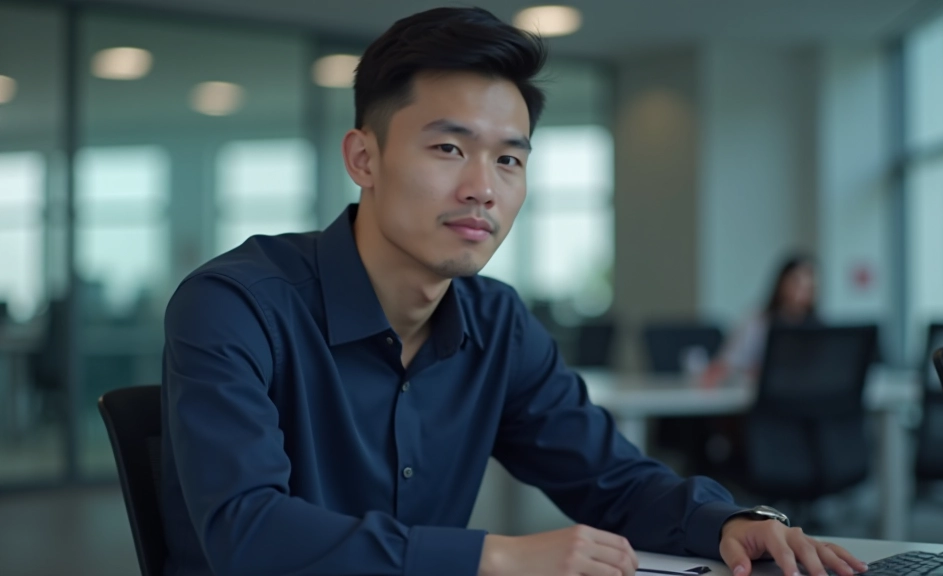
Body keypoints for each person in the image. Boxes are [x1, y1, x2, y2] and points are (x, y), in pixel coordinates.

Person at [160, 9, 867, 576]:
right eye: (448, 148)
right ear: (363, 157)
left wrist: (736, 524)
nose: (482, 187)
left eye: (508, 159)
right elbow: (246, 533)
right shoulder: (235, 305)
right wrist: (496, 556)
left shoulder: (495, 323)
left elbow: (612, 480)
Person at [703, 253, 818, 385]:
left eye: (809, 284)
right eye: (796, 281)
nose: (803, 289)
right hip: (758, 392)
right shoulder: (757, 321)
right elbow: (726, 364)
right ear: (782, 283)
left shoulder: (819, 328)